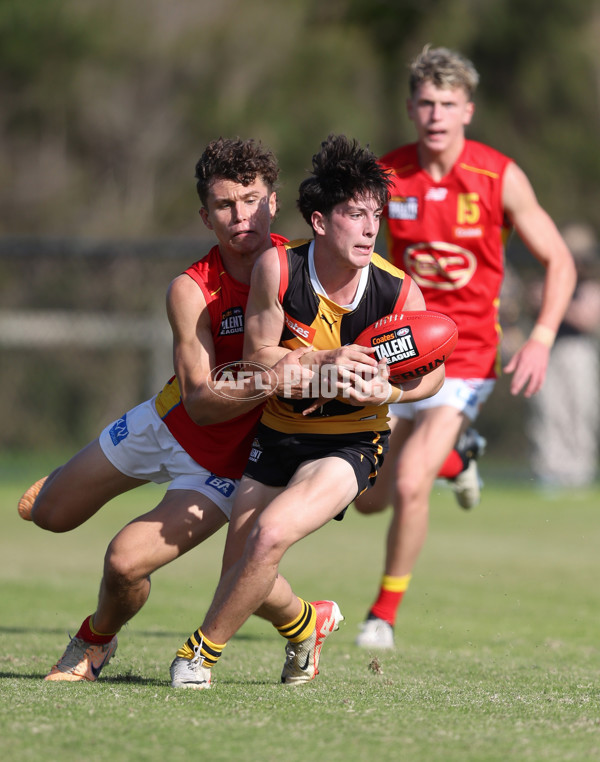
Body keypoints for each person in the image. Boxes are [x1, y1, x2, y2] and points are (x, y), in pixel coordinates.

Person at [17, 137, 321, 683]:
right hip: (168, 421)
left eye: (252, 200)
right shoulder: (190, 288)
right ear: (206, 216)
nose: (240, 216)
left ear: (273, 202)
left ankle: (94, 643)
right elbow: (202, 405)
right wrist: (277, 378)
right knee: (49, 517)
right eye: (225, 205)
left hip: (224, 468)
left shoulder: (306, 271)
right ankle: (61, 486)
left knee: (124, 562)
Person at [168, 134, 445, 690]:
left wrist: (387, 393)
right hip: (279, 430)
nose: (370, 229)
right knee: (243, 570)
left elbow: (432, 374)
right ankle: (307, 624)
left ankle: (197, 656)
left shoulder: (396, 291)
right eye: (354, 215)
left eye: (376, 215)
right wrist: (321, 365)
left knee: (268, 536)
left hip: (349, 442)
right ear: (320, 221)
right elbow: (257, 358)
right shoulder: (281, 268)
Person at [354, 45, 577, 649]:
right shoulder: (386, 175)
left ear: (468, 110)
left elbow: (558, 260)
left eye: (447, 104)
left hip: (469, 355)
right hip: (399, 351)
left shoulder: (497, 176)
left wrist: (541, 337)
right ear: (410, 108)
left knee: (408, 485)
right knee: (369, 497)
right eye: (425, 103)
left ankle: (383, 614)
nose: (435, 114)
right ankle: (460, 460)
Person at [527, 223, 600, 490]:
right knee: (549, 410)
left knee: (579, 410)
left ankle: (580, 471)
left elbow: (587, 318)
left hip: (577, 352)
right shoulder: (545, 281)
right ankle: (550, 471)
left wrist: (556, 302)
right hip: (547, 349)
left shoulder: (589, 287)